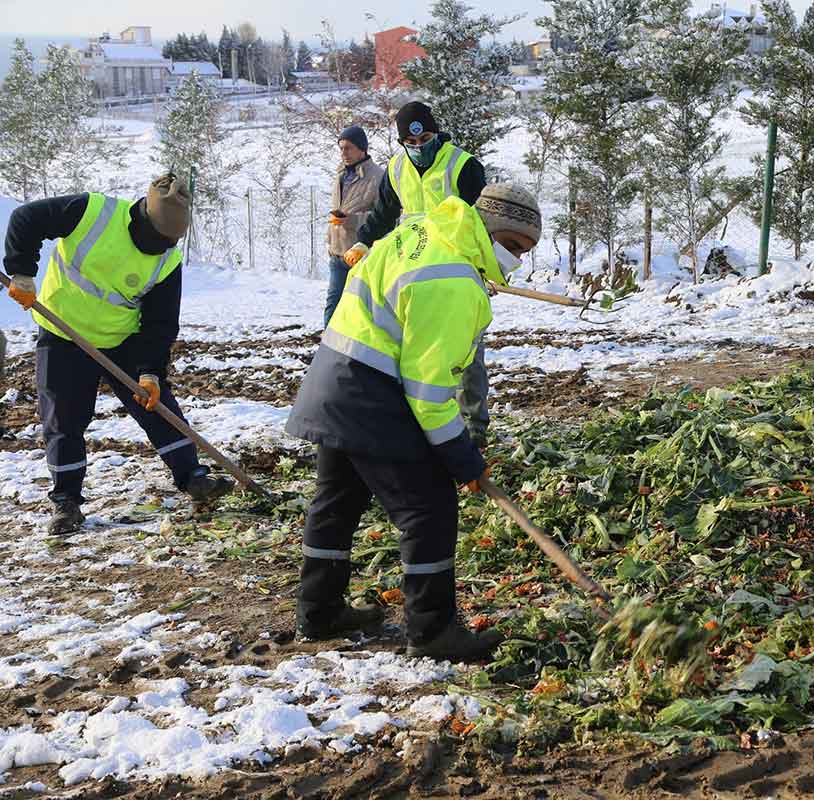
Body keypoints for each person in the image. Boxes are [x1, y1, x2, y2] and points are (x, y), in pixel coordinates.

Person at [285, 183, 542, 660]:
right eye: (512, 245)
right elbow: (429, 394)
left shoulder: (425, 230)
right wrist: (463, 459)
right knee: (429, 507)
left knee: (337, 501)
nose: (516, 261)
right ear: (488, 228)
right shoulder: (453, 281)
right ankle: (433, 631)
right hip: (371, 392)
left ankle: (318, 612)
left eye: (525, 252)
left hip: (333, 375)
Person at [3, 175, 234, 535]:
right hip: (64, 332)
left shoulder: (167, 261)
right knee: (63, 419)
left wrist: (150, 372)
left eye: (171, 242)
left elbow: (160, 323)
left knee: (156, 406)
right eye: (160, 240)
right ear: (142, 220)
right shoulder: (91, 212)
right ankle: (67, 502)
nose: (164, 248)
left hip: (121, 338)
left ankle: (193, 477)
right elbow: (25, 219)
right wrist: (22, 272)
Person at [341, 101, 492, 449]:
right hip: (413, 276)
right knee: (417, 354)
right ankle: (420, 424)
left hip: (456, 277)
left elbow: (483, 222)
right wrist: (363, 243)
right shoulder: (396, 170)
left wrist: (485, 266)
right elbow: (383, 214)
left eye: (425, 138)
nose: (419, 147)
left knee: (467, 353)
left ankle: (473, 427)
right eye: (411, 142)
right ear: (401, 143)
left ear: (436, 134)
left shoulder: (463, 166)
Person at [324, 125, 385, 328]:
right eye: (341, 148)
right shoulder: (340, 174)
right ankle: (328, 347)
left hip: (361, 253)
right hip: (337, 251)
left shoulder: (377, 177)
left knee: (360, 305)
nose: (343, 153)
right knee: (333, 302)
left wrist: (352, 220)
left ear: (362, 149)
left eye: (348, 148)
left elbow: (385, 217)